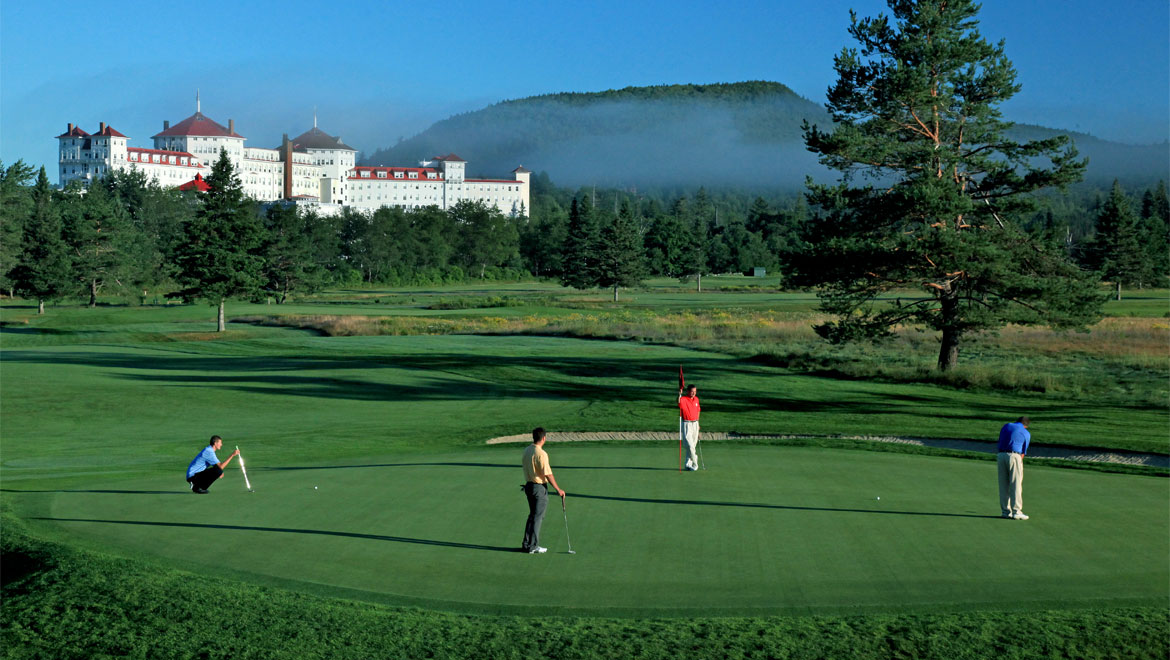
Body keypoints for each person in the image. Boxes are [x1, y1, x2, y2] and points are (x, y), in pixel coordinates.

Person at [520, 427, 565, 554]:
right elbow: (548, 474)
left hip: (528, 486)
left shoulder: (527, 450)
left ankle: (527, 544)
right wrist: (558, 489)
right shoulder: (541, 454)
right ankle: (533, 546)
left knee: (533, 516)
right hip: (538, 488)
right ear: (544, 438)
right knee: (537, 517)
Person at [997, 417, 1031, 520]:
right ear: (1025, 425)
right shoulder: (1026, 432)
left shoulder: (1006, 426)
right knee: (1015, 484)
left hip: (1000, 456)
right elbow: (1023, 453)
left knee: (1003, 484)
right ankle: (1017, 511)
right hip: (1014, 456)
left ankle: (1006, 511)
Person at [678, 384, 701, 471]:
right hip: (687, 424)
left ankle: (688, 464)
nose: (693, 393)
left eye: (695, 391)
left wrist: (698, 423)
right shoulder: (683, 399)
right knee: (690, 445)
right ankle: (695, 464)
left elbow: (698, 410)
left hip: (695, 423)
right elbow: (678, 402)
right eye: (692, 391)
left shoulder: (696, 399)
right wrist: (679, 394)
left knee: (692, 446)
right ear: (688, 391)